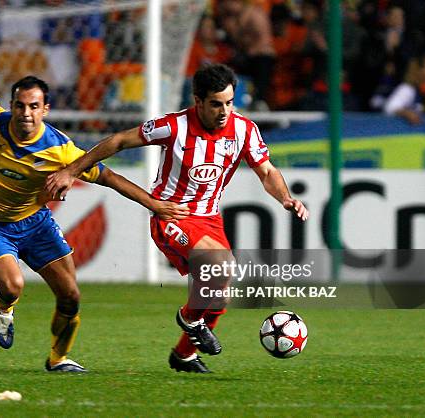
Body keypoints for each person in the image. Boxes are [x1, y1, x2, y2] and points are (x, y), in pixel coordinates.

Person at [45, 64, 308, 373]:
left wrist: (285, 197)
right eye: (215, 104)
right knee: (220, 265)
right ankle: (188, 317)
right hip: (171, 215)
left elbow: (266, 170)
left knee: (219, 297)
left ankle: (183, 355)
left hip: (209, 219)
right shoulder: (173, 126)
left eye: (229, 102)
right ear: (198, 101)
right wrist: (71, 170)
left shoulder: (244, 130)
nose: (224, 111)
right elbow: (118, 141)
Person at [0, 52, 188, 372]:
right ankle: (3, 306)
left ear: (45, 110)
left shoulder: (60, 150)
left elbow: (108, 177)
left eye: (33, 106)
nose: (26, 113)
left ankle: (59, 358)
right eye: (20, 105)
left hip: (37, 223)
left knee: (70, 296)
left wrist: (153, 204)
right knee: (13, 286)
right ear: (12, 105)